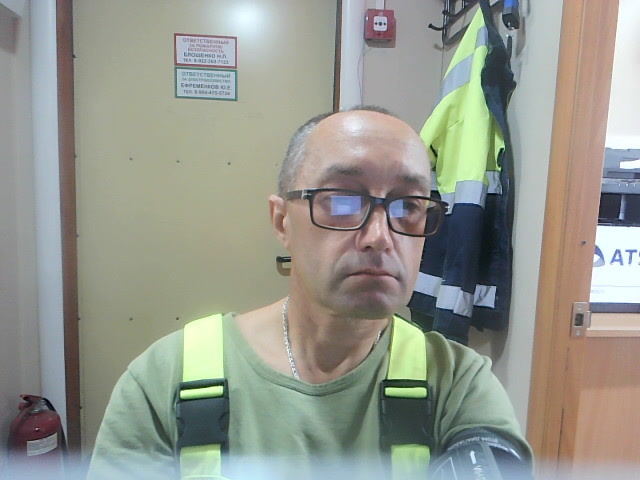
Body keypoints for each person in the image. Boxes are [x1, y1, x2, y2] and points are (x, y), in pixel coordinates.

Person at [86, 107, 533, 479]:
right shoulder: (166, 380)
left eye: (408, 206)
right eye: (342, 201)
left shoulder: (457, 383)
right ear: (281, 220)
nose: (380, 237)